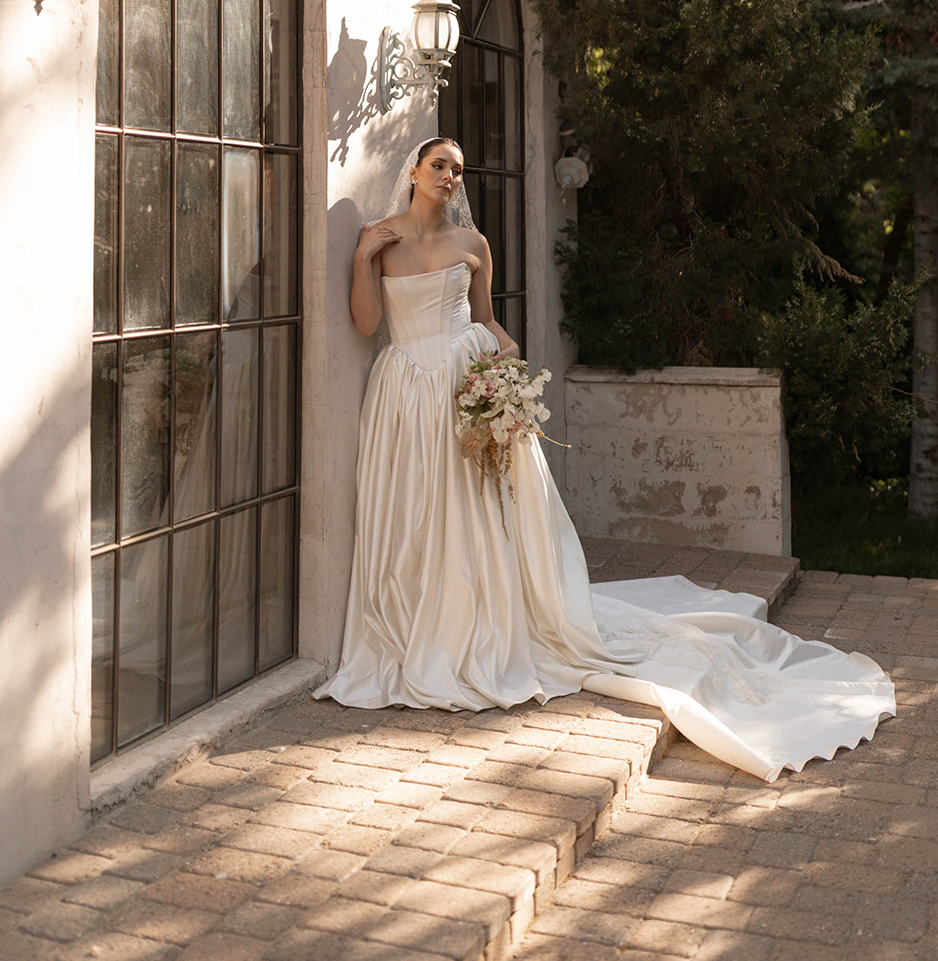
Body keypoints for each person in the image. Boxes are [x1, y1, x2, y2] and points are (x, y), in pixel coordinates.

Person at [313, 138, 895, 781]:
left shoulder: (473, 244)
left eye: (457, 169)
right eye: (438, 166)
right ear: (414, 172)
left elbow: (485, 323)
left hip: (462, 384)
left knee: (469, 513)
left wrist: (506, 371)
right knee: (414, 511)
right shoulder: (380, 238)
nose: (449, 177)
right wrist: (363, 257)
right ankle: (417, 627)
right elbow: (366, 324)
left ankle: (471, 625)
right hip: (404, 392)